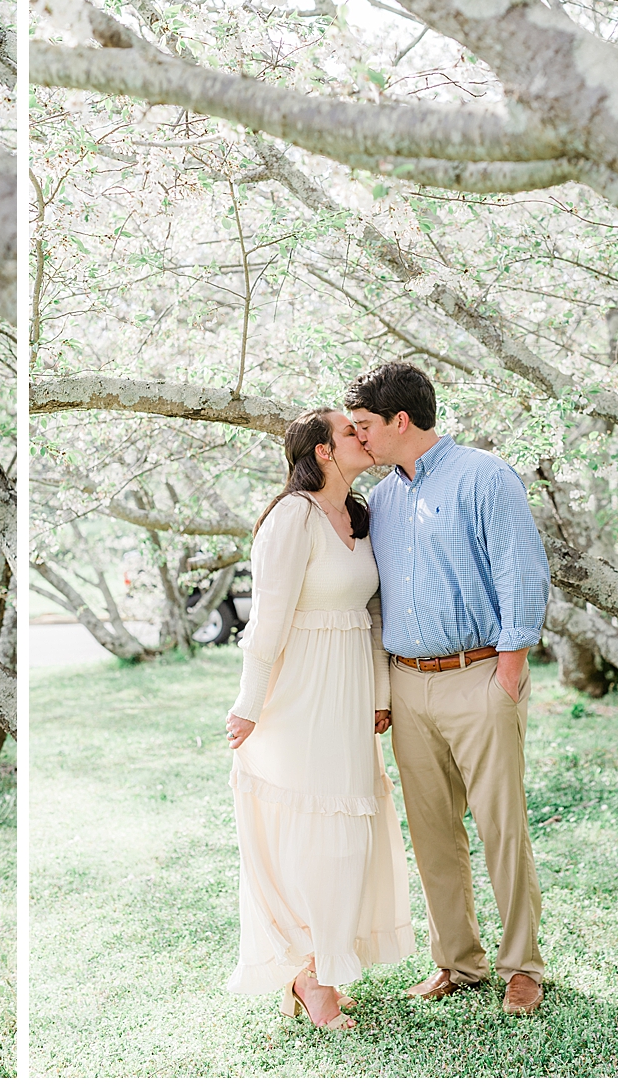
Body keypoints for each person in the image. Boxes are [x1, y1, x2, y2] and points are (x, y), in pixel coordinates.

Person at [346, 362, 551, 1016]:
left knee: (501, 829)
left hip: (481, 676)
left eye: (366, 426)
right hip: (409, 687)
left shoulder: (486, 477)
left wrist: (509, 671)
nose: (360, 439)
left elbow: (522, 572)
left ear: (400, 420)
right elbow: (375, 598)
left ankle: (522, 967)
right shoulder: (381, 501)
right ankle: (457, 964)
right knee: (432, 834)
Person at [224, 408, 415, 1029]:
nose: (364, 436)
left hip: (351, 692)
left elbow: (376, 614)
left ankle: (320, 965)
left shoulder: (360, 517)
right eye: (350, 432)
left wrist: (380, 694)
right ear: (323, 452)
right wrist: (249, 705)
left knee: (350, 832)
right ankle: (312, 978)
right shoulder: (290, 519)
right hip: (299, 696)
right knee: (316, 836)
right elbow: (268, 621)